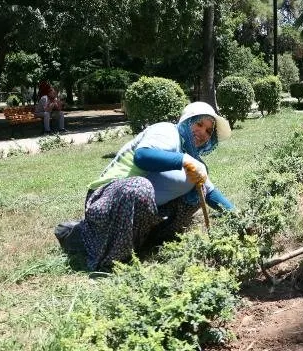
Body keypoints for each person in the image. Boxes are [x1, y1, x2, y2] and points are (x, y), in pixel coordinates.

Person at [54, 101, 235, 272]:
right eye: (199, 124)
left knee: (199, 186)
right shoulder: (167, 132)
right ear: (187, 121)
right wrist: (183, 160)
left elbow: (210, 193)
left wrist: (238, 217)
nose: (203, 132)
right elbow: (143, 157)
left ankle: (142, 242)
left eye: (209, 131)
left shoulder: (193, 159)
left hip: (140, 212)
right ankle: (96, 248)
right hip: (107, 198)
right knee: (139, 187)